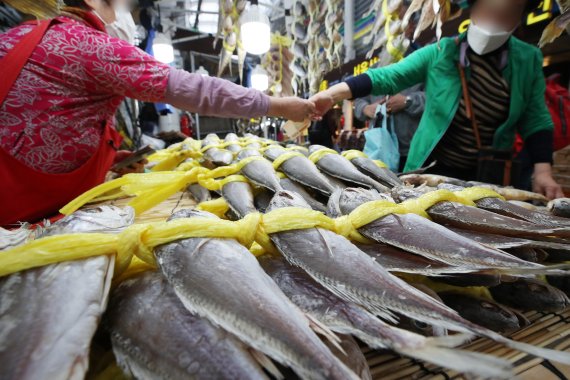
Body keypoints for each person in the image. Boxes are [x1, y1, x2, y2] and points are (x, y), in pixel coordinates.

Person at [0, 0, 316, 225]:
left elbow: (38, 118)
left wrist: (109, 159)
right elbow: (197, 90)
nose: (130, 20)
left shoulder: (17, 37)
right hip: (26, 211)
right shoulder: (89, 44)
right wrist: (277, 105)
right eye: (125, 8)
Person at [310, 0, 564, 200]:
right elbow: (389, 76)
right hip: (432, 172)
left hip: (490, 177)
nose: (497, 20)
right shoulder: (441, 52)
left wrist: (543, 171)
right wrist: (332, 94)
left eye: (510, 12)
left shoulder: (527, 59)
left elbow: (536, 119)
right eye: (490, 9)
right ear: (473, 7)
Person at [354, 84, 425, 171]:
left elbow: (436, 99)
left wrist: (408, 100)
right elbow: (358, 101)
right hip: (378, 150)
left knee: (414, 182)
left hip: (415, 150)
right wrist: (365, 108)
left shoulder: (420, 71)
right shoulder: (373, 72)